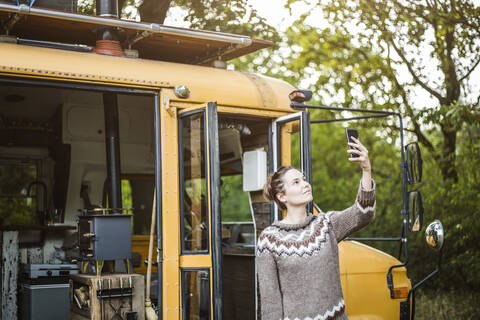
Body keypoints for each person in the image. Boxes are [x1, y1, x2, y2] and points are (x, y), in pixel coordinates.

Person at [256, 136, 375, 320]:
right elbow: (271, 304)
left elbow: (363, 214)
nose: (305, 184)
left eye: (304, 179)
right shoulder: (269, 240)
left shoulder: (326, 225)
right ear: (282, 196)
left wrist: (366, 170)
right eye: (296, 182)